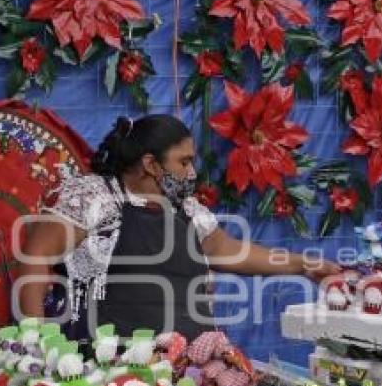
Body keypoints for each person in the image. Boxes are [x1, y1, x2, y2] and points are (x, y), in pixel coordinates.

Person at [18, 115, 340, 340]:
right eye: (183, 162)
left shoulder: (187, 210)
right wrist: (35, 346)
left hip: (186, 373)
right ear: (151, 164)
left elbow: (227, 250)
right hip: (109, 376)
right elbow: (34, 258)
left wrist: (304, 265)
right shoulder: (94, 197)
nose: (192, 172)